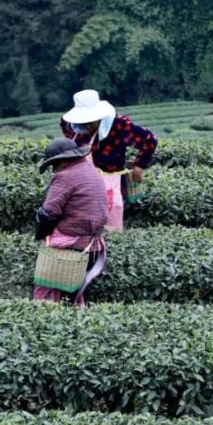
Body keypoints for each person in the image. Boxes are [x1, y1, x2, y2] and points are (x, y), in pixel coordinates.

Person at [60, 88, 157, 231]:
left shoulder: (118, 124)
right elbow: (69, 137)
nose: (86, 125)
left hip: (111, 182)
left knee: (110, 227)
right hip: (82, 182)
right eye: (83, 121)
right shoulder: (72, 124)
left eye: (90, 121)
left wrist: (139, 167)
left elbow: (149, 139)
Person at [33, 137, 109, 306]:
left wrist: (39, 234)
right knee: (73, 293)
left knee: (46, 287)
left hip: (72, 242)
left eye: (55, 164)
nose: (54, 169)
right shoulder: (91, 171)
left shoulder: (65, 177)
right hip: (93, 244)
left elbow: (49, 212)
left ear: (64, 161)